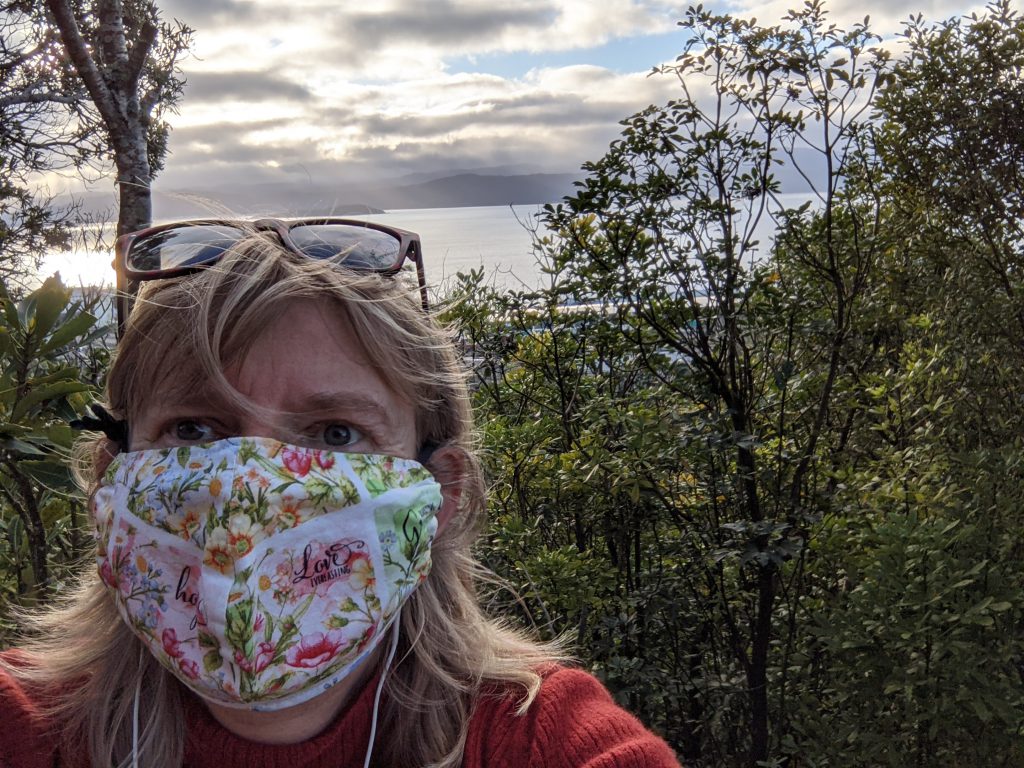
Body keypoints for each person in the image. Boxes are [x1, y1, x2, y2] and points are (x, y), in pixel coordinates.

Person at [0, 219, 681, 768]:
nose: (252, 487)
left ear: (438, 494)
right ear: (111, 478)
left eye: (335, 434)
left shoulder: (536, 738)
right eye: (195, 428)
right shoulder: (22, 725)